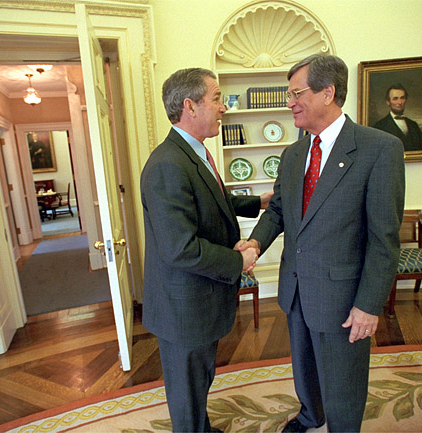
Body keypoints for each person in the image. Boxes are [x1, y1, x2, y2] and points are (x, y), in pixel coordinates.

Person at [237, 55, 405, 432]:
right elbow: (278, 211)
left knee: (344, 383)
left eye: (297, 93)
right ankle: (311, 416)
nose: (289, 102)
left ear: (328, 92)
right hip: (296, 288)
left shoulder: (379, 148)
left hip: (345, 298)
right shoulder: (294, 153)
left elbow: (384, 238)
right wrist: (253, 245)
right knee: (305, 369)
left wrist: (368, 304)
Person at [140, 67, 271, 433]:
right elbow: (180, 248)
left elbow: (212, 199)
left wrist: (256, 202)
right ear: (190, 106)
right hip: (184, 308)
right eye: (216, 98)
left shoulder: (189, 154)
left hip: (197, 302)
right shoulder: (168, 164)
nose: (223, 107)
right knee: (187, 393)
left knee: (197, 386)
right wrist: (239, 260)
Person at [373, 83, 422, 151]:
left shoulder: (413, 125)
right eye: (395, 99)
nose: (400, 102)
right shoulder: (379, 126)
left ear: (405, 100)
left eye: (402, 98)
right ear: (388, 102)